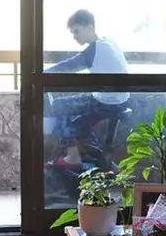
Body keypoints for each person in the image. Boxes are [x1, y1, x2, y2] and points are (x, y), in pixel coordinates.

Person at [46, 9, 130, 169]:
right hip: (121, 100)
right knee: (78, 126)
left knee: (58, 105)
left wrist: (40, 74)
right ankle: (105, 162)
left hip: (105, 102)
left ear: (90, 27)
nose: (74, 36)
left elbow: (68, 66)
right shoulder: (109, 42)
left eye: (76, 31)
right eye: (72, 33)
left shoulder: (94, 49)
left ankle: (72, 157)